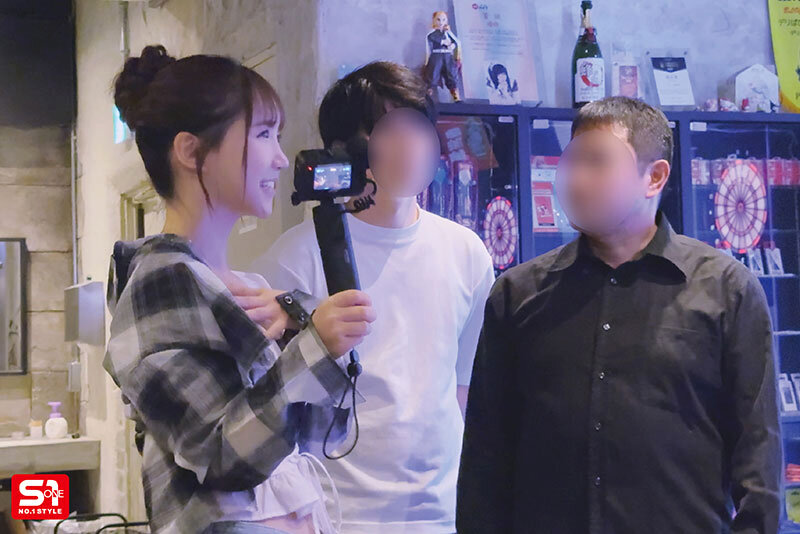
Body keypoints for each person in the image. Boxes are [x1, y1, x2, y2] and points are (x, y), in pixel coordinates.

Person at [457, 96, 781, 534]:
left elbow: (758, 452)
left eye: (597, 162)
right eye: (571, 162)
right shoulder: (518, 294)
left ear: (655, 177)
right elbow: (485, 455)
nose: (576, 179)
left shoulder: (726, 289)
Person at [104, 45, 376, 534]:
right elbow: (222, 456)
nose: (280, 158)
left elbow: (324, 432)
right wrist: (315, 344)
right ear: (191, 152)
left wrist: (302, 321)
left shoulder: (248, 288)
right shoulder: (161, 284)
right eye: (264, 134)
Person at [254, 61, 494, 534]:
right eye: (389, 128)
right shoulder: (296, 258)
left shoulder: (466, 251)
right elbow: (266, 404)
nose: (410, 144)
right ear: (346, 147)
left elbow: (463, 387)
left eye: (419, 126)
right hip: (336, 514)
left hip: (441, 512)